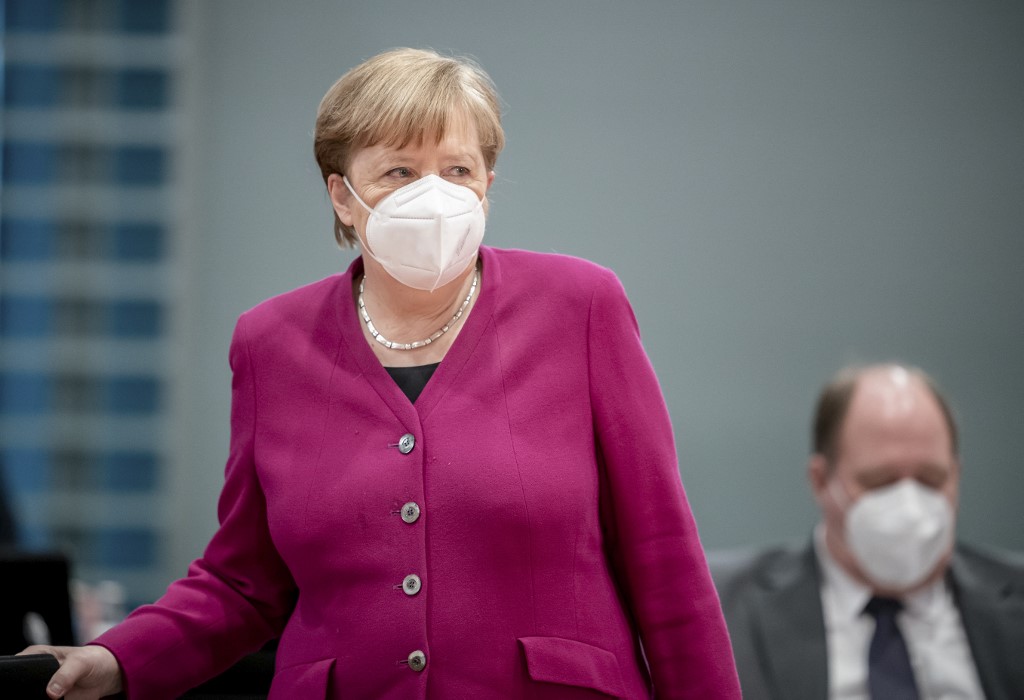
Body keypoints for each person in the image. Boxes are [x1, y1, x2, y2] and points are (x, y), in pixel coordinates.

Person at [22, 48, 741, 699]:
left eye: (458, 170)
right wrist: (117, 658)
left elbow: (663, 557)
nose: (434, 194)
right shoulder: (270, 343)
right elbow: (245, 582)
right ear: (343, 195)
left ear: (487, 184)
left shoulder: (580, 306)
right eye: (399, 171)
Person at [711, 363, 1024, 700]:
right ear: (821, 481)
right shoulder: (721, 609)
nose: (910, 506)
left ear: (956, 475)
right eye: (880, 482)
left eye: (931, 479)